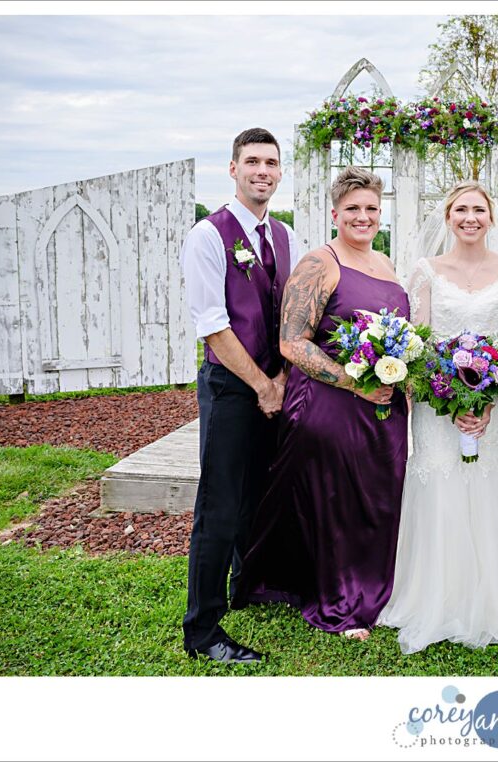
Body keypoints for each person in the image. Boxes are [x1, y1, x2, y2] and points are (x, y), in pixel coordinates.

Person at [230, 167, 407, 642]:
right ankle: (342, 600)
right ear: (335, 214)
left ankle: (378, 588)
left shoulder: (386, 263)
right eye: (353, 209)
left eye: (371, 208)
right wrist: (355, 383)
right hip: (331, 404)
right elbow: (293, 343)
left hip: (384, 404)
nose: (363, 217)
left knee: (379, 497)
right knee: (339, 502)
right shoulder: (319, 264)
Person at [377, 181, 498, 653]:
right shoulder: (425, 271)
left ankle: (495, 600)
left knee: (488, 484)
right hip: (436, 407)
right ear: (448, 217)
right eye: (460, 210)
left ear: (491, 218)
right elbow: (418, 344)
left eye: (478, 210)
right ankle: (436, 599)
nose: (470, 217)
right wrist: (447, 402)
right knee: (441, 483)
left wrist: (489, 399)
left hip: (495, 404)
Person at [180, 127, 297, 663]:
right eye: (252, 162)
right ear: (233, 168)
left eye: (271, 163)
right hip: (233, 387)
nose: (263, 172)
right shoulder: (208, 236)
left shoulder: (285, 236)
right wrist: (261, 385)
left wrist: (283, 383)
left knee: (259, 495)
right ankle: (203, 631)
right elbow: (214, 326)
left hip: (275, 385)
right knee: (219, 506)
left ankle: (248, 586)